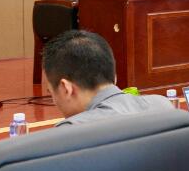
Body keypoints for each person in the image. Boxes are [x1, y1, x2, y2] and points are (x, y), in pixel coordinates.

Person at [43, 30, 173, 125]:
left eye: (51, 93)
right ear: (114, 78)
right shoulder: (163, 105)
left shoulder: (70, 131)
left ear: (66, 88)